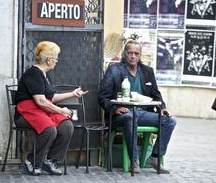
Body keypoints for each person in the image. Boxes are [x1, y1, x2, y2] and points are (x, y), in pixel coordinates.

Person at [98, 40, 176, 174]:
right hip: (122, 114)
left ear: (140, 55)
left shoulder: (147, 71)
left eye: (136, 53)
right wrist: (115, 109)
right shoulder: (114, 70)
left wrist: (162, 108)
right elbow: (102, 96)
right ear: (125, 54)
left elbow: (156, 95)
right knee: (130, 117)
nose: (133, 56)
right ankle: (134, 161)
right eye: (130, 53)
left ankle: (155, 158)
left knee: (170, 121)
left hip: (143, 113)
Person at [14, 41, 87, 176]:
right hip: (25, 113)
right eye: (56, 58)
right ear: (48, 60)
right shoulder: (33, 74)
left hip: (41, 110)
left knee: (66, 126)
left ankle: (50, 161)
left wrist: (72, 94)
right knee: (49, 129)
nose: (57, 62)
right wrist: (61, 110)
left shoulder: (44, 75)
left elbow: (50, 98)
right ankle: (31, 162)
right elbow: (40, 101)